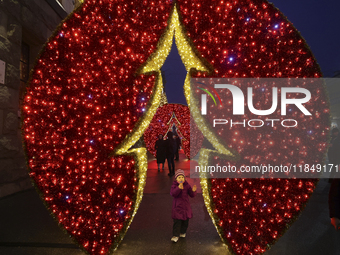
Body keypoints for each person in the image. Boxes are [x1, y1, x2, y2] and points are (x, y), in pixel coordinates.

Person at [170, 169, 197, 243]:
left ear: (184, 178)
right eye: (179, 177)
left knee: (185, 221)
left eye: (182, 177)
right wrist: (178, 188)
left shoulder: (187, 185)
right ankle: (175, 235)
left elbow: (191, 194)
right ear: (176, 179)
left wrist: (194, 191)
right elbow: (173, 193)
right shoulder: (174, 185)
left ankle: (182, 232)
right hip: (177, 208)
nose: (181, 178)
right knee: (177, 222)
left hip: (185, 207)